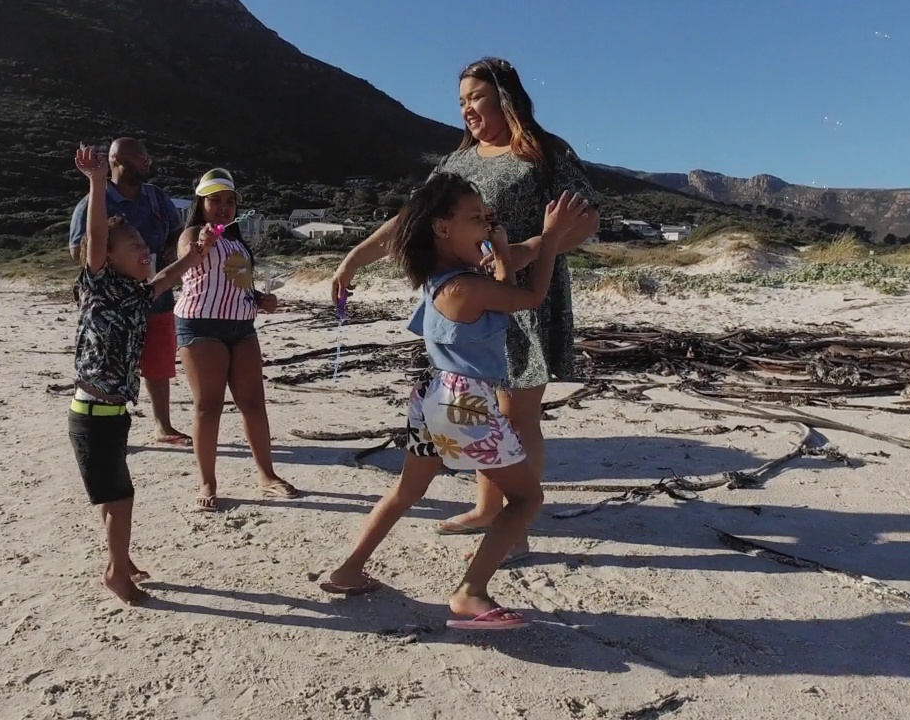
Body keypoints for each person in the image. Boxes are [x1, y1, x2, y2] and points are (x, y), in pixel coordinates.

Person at [329, 57, 600, 561]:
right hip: (470, 300)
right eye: (460, 102)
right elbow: (412, 217)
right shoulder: (458, 163)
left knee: (518, 413)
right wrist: (354, 258)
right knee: (481, 405)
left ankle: (515, 520)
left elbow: (585, 218)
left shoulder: (545, 152)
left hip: (525, 293)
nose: (466, 109)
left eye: (475, 97)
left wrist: (530, 248)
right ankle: (484, 507)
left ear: (504, 96)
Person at [321, 173, 588, 629]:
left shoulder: (444, 278)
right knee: (525, 500)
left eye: (486, 218)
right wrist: (554, 236)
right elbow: (530, 296)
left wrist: (512, 247)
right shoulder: (467, 285)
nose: (485, 226)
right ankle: (471, 592)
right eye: (475, 218)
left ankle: (348, 569)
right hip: (467, 402)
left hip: (431, 396)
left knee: (407, 490)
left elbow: (513, 269)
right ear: (443, 227)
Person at [68, 145, 216, 604]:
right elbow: (95, 235)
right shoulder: (99, 284)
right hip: (92, 414)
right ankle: (116, 571)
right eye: (135, 246)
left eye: (144, 245)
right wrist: (96, 183)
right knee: (121, 498)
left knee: (116, 494)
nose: (145, 250)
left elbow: (169, 276)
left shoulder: (136, 295)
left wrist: (198, 254)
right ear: (109, 257)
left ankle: (122, 560)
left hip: (111, 413)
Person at [174, 168, 300, 512]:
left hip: (242, 328)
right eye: (215, 200)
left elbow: (237, 283)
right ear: (201, 202)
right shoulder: (191, 234)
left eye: (229, 202)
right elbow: (186, 263)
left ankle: (267, 475)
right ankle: (208, 481)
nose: (223, 208)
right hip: (201, 326)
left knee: (254, 404)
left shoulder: (236, 242)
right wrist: (201, 245)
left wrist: (261, 299)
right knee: (208, 406)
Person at [69, 137, 192, 447]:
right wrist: (110, 266)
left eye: (147, 156)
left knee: (158, 361)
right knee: (106, 362)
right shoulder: (92, 203)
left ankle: (162, 426)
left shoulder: (157, 198)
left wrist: (177, 251)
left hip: (153, 295)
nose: (146, 162)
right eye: (139, 157)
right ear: (116, 162)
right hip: (110, 299)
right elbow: (81, 247)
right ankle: (101, 425)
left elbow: (176, 239)